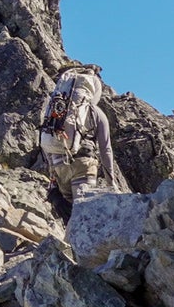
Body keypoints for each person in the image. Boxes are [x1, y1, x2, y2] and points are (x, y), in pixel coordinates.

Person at [37, 64, 119, 210]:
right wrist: (111, 183)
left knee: (70, 213)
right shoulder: (96, 112)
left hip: (59, 166)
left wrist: (53, 173)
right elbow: (106, 149)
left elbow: (47, 138)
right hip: (83, 165)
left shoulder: (56, 107)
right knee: (82, 210)